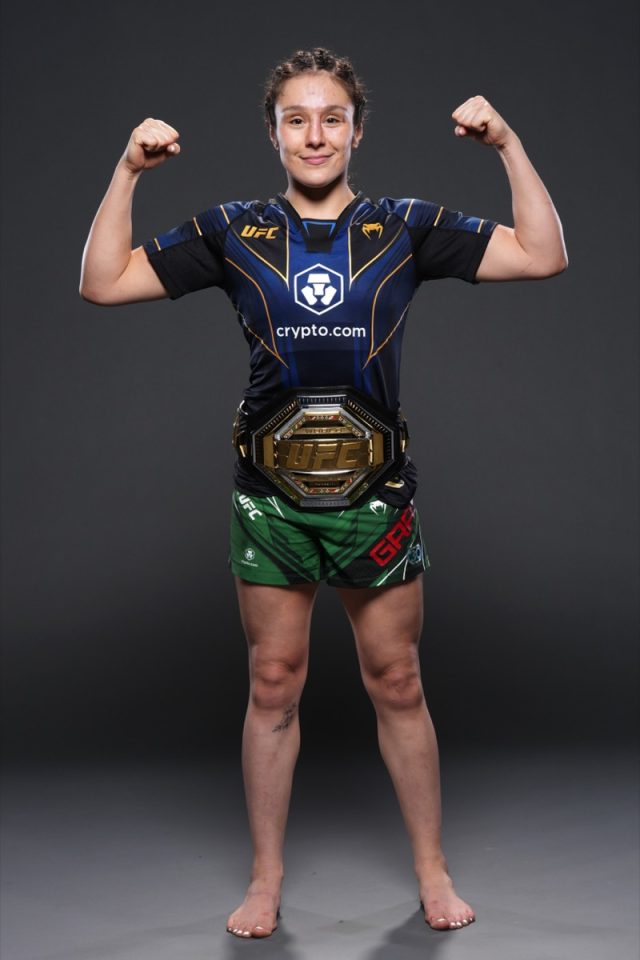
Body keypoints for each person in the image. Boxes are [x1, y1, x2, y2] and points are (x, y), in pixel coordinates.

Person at [79, 48, 567, 938]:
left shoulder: (404, 227)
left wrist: (507, 143)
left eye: (332, 117)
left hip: (376, 497)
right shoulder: (234, 230)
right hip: (269, 498)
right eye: (297, 118)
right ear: (274, 134)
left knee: (397, 680)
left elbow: (543, 254)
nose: (315, 133)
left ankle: (431, 867)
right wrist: (125, 170)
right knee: (273, 682)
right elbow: (101, 282)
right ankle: (265, 879)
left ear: (356, 130)